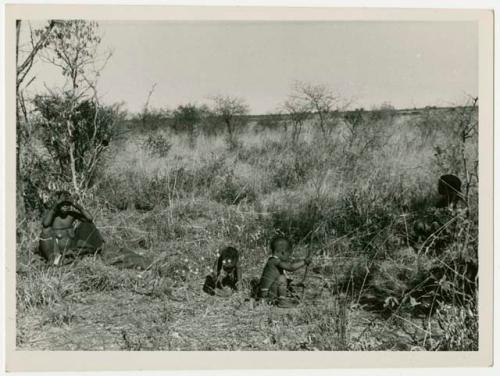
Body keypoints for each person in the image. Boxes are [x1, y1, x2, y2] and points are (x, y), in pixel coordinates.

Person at [38, 191, 104, 265]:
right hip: (58, 252)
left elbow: (89, 219)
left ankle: (94, 250)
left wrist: (76, 205)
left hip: (72, 249)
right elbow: (45, 224)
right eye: (63, 204)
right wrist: (56, 204)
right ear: (58, 204)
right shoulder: (53, 215)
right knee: (45, 230)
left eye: (68, 204)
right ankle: (54, 259)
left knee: (88, 224)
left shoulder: (71, 215)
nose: (65, 206)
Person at [257, 236, 311, 308]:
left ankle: (280, 298)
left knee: (287, 281)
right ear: (283, 252)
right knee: (282, 278)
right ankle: (282, 301)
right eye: (288, 255)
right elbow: (291, 267)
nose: (289, 257)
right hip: (268, 295)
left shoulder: (271, 260)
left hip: (266, 293)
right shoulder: (275, 261)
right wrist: (304, 262)